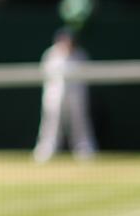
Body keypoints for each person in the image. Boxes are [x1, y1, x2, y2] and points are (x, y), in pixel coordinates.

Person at [33, 29, 97, 163]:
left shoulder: (80, 55)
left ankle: (84, 149)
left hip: (76, 97)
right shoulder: (50, 54)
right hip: (54, 97)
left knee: (79, 122)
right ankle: (47, 150)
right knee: (51, 124)